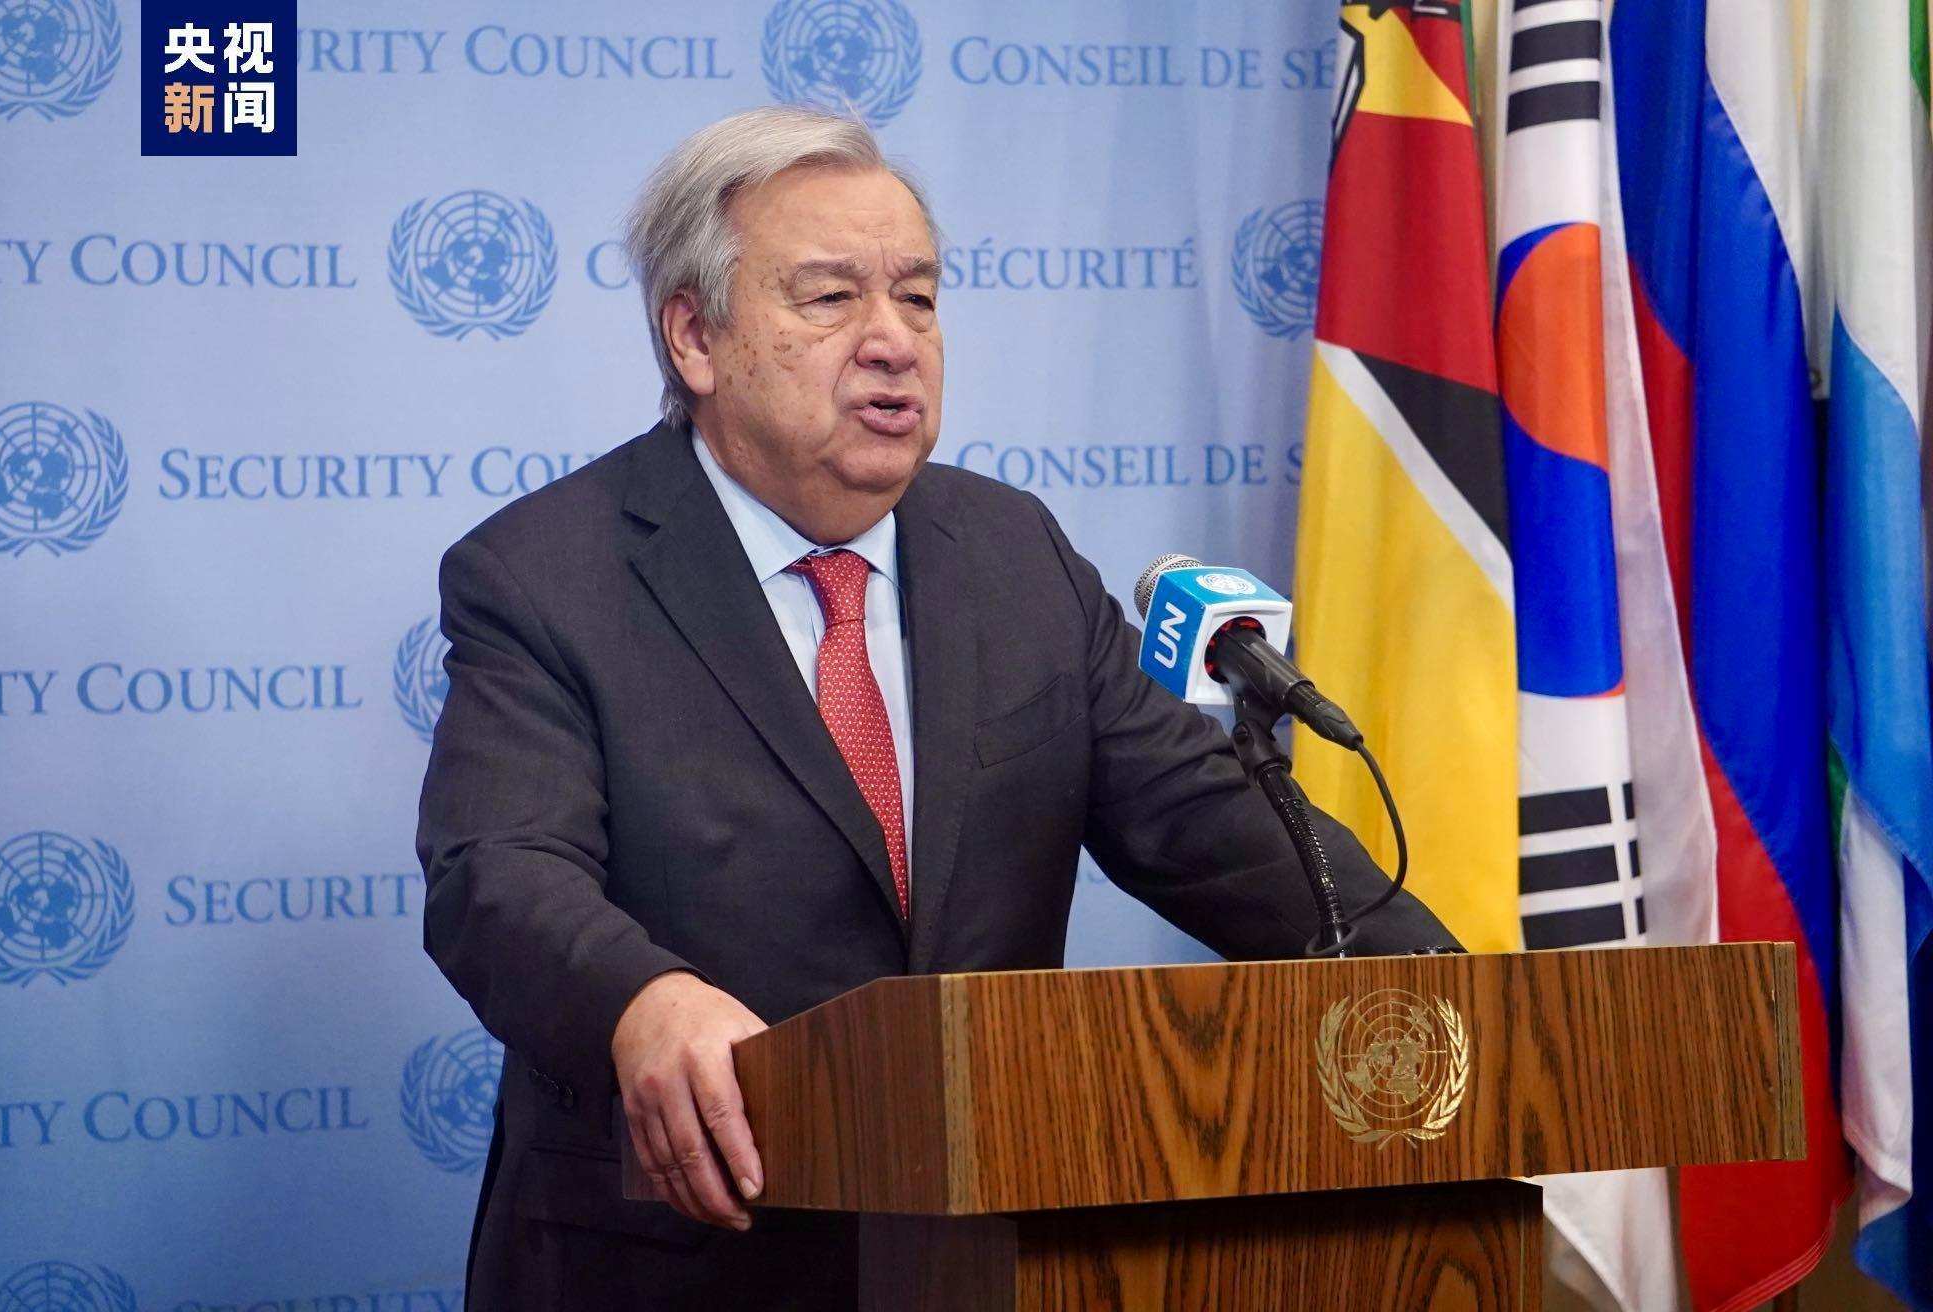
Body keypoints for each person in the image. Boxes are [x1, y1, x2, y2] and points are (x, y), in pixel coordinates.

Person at [415, 104, 1456, 1311]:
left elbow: (1203, 822)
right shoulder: (545, 575)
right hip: (674, 1262)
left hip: (983, 1254)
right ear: (694, 336)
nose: (893, 341)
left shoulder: (1012, 553)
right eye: (830, 298)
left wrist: (1451, 991)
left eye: (917, 297)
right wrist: (638, 1000)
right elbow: (499, 873)